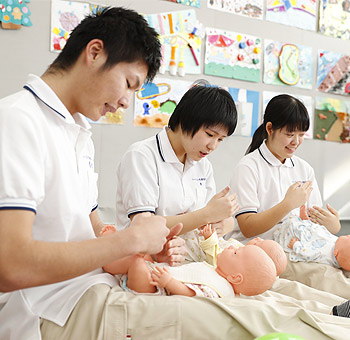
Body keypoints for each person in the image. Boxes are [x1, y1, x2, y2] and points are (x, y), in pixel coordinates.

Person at [0, 7, 186, 340]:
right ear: (95, 52)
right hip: (43, 304)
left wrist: (138, 250)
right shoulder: (18, 121)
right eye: (129, 84)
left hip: (91, 285)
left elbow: (92, 231)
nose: (126, 102)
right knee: (204, 322)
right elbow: (10, 266)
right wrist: (128, 239)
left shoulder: (80, 133)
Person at [115, 83, 239, 261]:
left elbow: (207, 218)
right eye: (210, 135)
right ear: (185, 119)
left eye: (220, 139)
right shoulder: (142, 156)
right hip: (147, 259)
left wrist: (224, 222)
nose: (213, 146)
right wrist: (207, 215)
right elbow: (143, 225)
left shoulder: (203, 165)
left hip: (192, 256)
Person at [229, 94, 333, 244]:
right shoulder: (248, 167)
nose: (296, 142)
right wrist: (287, 205)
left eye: (301, 135)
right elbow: (248, 227)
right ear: (270, 129)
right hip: (256, 248)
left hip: (297, 247)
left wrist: (332, 224)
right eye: (290, 134)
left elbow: (314, 221)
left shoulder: (304, 169)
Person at [100, 224, 277, 297]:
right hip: (157, 277)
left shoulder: (217, 289)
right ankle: (116, 247)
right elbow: (213, 253)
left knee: (137, 261)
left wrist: (168, 282)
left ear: (236, 278)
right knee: (144, 257)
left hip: (154, 288)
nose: (232, 247)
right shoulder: (218, 271)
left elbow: (190, 294)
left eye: (237, 253)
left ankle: (107, 255)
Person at [199, 224, 287, 276]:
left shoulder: (236, 260)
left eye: (258, 243)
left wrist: (209, 238)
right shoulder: (241, 248)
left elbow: (216, 258)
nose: (258, 238)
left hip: (202, 247)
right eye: (262, 240)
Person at [273, 214, 350, 271]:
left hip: (300, 239)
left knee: (293, 231)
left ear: (336, 252)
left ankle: (297, 224)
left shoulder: (323, 254)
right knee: (313, 229)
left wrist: (296, 245)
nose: (348, 236)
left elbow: (307, 253)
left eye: (347, 238)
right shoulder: (337, 244)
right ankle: (304, 220)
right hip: (312, 231)